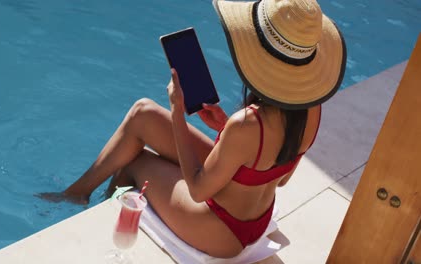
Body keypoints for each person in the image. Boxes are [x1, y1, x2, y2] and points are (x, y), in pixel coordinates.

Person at [38, 0, 346, 258]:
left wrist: (176, 111)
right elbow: (280, 177)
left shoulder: (248, 125)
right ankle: (76, 193)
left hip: (221, 230)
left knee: (133, 161)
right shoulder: (312, 110)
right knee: (143, 113)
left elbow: (198, 190)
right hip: (253, 216)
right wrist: (225, 128)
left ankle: (101, 225)